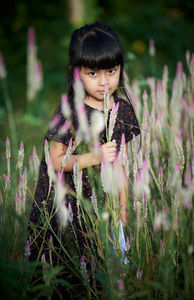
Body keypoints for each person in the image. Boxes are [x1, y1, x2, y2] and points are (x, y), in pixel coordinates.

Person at [28, 22, 140, 298]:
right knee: (66, 268)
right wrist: (95, 156)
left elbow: (120, 163)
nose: (104, 82)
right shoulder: (71, 111)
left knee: (104, 268)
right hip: (66, 202)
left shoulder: (121, 109)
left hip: (100, 206)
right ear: (77, 74)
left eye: (111, 71)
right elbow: (55, 160)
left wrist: (124, 206)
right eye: (93, 73)